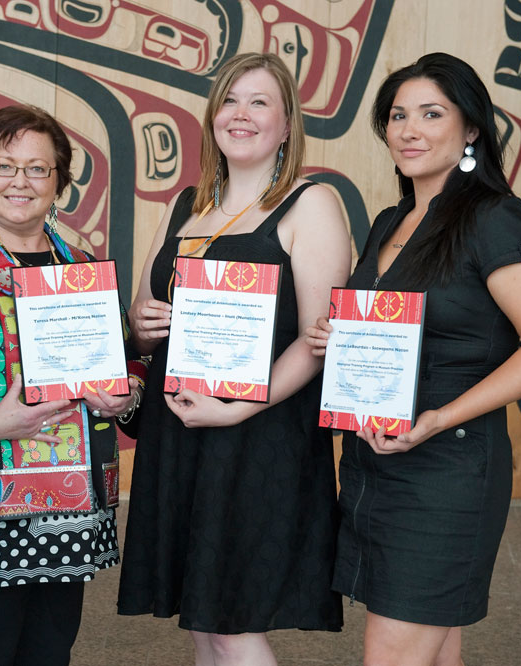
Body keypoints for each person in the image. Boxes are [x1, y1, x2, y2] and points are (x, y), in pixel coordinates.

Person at [305, 53, 521, 666]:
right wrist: (340, 337)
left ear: (471, 128)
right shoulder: (390, 221)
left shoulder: (494, 218)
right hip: (375, 462)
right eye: (398, 116)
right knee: (435, 651)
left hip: (446, 470)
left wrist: (437, 417)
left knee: (395, 653)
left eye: (432, 114)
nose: (409, 130)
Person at [117, 52, 351, 665]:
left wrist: (236, 409)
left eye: (259, 102)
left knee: (232, 624)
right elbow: (146, 318)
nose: (239, 115)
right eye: (229, 100)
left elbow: (317, 340)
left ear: (286, 123)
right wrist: (140, 326)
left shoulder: (311, 204)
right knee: (202, 622)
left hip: (259, 436)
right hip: (182, 428)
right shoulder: (185, 204)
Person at [0, 104, 147, 666]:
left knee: (47, 651)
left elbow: (128, 362)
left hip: (67, 512)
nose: (20, 181)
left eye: (38, 169)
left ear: (60, 181)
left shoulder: (84, 270)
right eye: (4, 166)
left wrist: (125, 394)